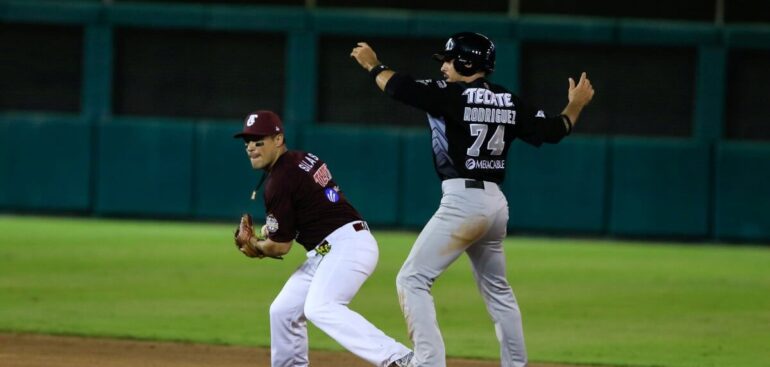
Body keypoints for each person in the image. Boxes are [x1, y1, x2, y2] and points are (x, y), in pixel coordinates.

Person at [351, 32, 595, 367]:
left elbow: (398, 88)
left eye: (449, 60)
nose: (444, 67)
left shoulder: (452, 95)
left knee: (412, 279)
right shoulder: (509, 100)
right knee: (499, 293)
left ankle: (428, 363)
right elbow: (556, 129)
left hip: (463, 203)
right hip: (495, 205)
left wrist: (373, 65)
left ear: (466, 62)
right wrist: (576, 103)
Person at [231, 110, 413, 367]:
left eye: (258, 140)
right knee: (283, 311)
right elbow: (307, 209)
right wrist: (270, 233)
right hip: (330, 248)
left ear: (278, 139)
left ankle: (400, 359)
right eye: (246, 141)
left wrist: (256, 247)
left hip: (346, 245)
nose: (250, 147)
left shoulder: (279, 181)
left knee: (320, 307)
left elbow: (280, 246)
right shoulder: (301, 158)